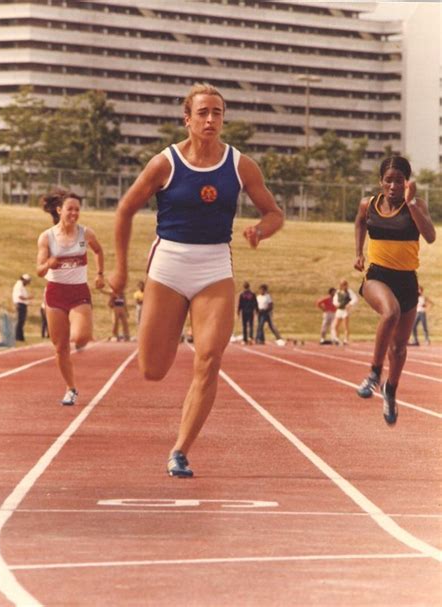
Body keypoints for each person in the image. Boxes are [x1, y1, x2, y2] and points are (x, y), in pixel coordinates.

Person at [109, 82, 284, 477]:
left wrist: (261, 230)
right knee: (152, 369)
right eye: (203, 112)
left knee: (209, 359)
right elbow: (124, 210)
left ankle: (180, 450)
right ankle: (171, 331)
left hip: (214, 268)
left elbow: (275, 213)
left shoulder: (240, 165)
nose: (210, 119)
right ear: (187, 119)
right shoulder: (165, 163)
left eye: (217, 113)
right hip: (169, 265)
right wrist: (120, 270)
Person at [354, 156, 436, 424]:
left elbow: (431, 236)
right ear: (381, 181)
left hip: (407, 282)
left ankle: (390, 391)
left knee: (399, 348)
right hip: (377, 276)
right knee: (390, 313)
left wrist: (411, 203)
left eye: (398, 180)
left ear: (406, 182)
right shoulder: (369, 204)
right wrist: (358, 254)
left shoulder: (415, 205)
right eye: (388, 180)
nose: (393, 186)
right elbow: (360, 223)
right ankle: (375, 373)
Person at [36, 188, 105, 406]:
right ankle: (71, 388)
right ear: (59, 210)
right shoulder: (47, 237)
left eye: (77, 209)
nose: (74, 213)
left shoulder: (86, 234)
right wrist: (49, 263)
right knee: (60, 347)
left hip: (78, 293)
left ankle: (77, 342)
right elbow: (39, 270)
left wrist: (100, 274)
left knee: (82, 337)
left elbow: (98, 251)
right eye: (70, 209)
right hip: (55, 293)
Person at [330, 279, 358, 345]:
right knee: (335, 326)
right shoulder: (338, 292)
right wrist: (336, 304)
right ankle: (337, 339)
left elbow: (355, 298)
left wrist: (350, 304)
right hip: (339, 310)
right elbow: (335, 300)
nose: (344, 286)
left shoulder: (349, 291)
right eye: (342, 285)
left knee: (345, 326)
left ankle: (346, 340)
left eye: (345, 285)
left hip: (345, 311)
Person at [12, 273, 33, 341]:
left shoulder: (21, 286)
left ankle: (20, 337)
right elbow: (20, 296)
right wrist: (28, 298)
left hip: (22, 304)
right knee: (20, 321)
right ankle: (18, 337)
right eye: (27, 281)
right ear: (25, 280)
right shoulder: (19, 286)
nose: (28, 283)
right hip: (20, 305)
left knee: (21, 321)